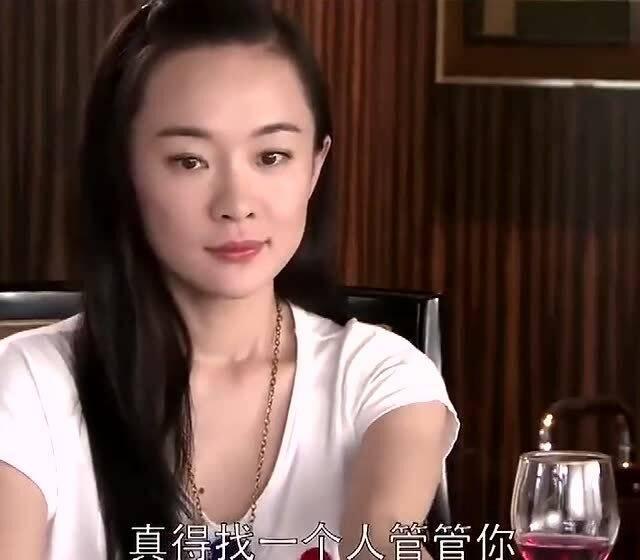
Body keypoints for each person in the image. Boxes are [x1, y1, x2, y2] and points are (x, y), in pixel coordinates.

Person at [0, 0, 459, 559]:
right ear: (121, 169)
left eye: (272, 156)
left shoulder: (376, 376)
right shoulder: (29, 384)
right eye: (189, 161)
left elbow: (383, 534)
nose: (237, 204)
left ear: (315, 166)